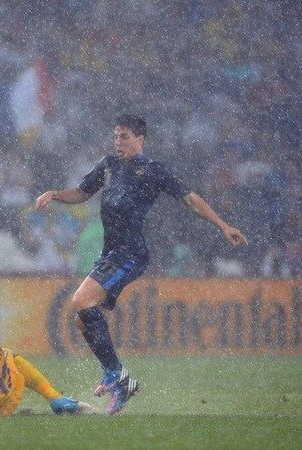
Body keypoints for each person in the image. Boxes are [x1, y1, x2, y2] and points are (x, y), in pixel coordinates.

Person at [35, 114, 247, 415]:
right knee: (85, 320)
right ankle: (118, 381)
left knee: (81, 300)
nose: (118, 142)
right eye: (116, 136)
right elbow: (82, 193)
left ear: (140, 139)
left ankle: (117, 377)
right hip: (111, 253)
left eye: (124, 136)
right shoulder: (108, 165)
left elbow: (190, 199)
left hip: (131, 252)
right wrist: (55, 194)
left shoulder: (153, 171)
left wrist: (223, 225)